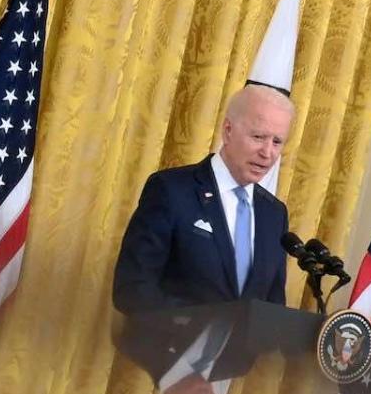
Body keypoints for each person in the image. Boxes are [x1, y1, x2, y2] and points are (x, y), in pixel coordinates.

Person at [112, 85, 294, 314]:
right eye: (258, 137)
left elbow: (272, 306)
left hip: (239, 351)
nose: (267, 153)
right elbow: (132, 289)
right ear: (228, 131)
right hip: (171, 347)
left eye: (277, 142)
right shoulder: (171, 190)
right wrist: (205, 325)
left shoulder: (274, 214)